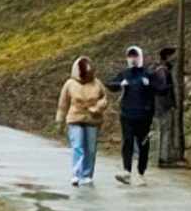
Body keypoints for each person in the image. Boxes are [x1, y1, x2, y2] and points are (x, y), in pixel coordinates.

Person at [107, 45, 166, 186]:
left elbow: (162, 89)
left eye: (135, 56)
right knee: (127, 142)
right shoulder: (125, 74)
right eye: (130, 56)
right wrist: (120, 84)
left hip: (145, 115)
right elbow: (110, 84)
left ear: (140, 57)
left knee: (143, 144)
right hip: (127, 114)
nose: (133, 59)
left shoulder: (149, 74)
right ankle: (127, 171)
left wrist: (149, 85)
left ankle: (141, 172)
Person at [56, 55, 109, 186]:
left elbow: (104, 99)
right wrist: (59, 121)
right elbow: (63, 104)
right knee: (78, 147)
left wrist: (98, 107)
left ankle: (87, 175)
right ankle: (76, 174)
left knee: (90, 149)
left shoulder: (97, 83)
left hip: (93, 119)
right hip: (75, 118)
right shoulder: (70, 84)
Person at [152, 47, 180, 167]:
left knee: (163, 131)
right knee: (165, 131)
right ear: (167, 57)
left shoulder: (158, 70)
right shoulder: (163, 71)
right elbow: (163, 88)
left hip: (160, 105)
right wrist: (170, 103)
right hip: (163, 105)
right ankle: (163, 157)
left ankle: (162, 156)